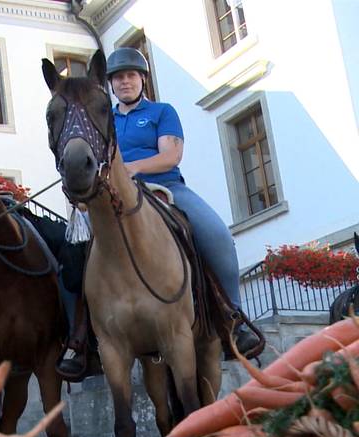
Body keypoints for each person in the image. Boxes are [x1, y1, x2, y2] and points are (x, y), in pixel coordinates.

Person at [57, 47, 261, 379]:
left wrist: (129, 169)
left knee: (216, 234)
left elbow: (170, 156)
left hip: (166, 189)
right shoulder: (101, 114)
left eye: (130, 76)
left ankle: (233, 317)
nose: (124, 82)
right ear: (110, 84)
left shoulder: (161, 112)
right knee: (71, 257)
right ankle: (78, 339)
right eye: (118, 78)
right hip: (111, 198)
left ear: (142, 80)